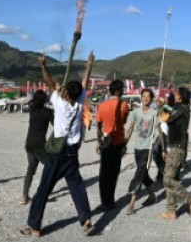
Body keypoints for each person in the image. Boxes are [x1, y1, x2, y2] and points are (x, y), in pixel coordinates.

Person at [20, 52, 95, 237]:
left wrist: (43, 66)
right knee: (77, 186)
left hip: (56, 153)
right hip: (72, 152)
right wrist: (89, 64)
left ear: (67, 93)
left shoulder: (59, 103)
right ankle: (85, 219)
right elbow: (84, 82)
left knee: (43, 189)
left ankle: (35, 227)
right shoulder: (79, 104)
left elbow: (49, 83)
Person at [159, 86, 191, 220]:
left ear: (180, 96)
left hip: (177, 147)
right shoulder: (180, 107)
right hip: (176, 146)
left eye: (176, 93)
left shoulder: (181, 108)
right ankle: (171, 211)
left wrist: (161, 106)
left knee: (167, 179)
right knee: (172, 178)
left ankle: (188, 198)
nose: (174, 94)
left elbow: (165, 118)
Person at [95, 79, 130, 211]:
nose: (123, 91)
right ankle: (111, 199)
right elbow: (124, 121)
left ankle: (105, 201)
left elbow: (98, 126)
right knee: (114, 173)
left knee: (104, 173)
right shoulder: (124, 105)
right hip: (119, 142)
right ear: (118, 91)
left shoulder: (102, 106)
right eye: (122, 89)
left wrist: (99, 141)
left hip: (106, 142)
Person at [123, 88, 158, 214]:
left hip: (148, 149)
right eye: (143, 96)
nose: (145, 98)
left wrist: (163, 148)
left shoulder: (154, 113)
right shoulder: (136, 112)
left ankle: (131, 204)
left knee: (139, 174)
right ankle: (152, 196)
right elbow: (130, 128)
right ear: (141, 97)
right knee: (143, 174)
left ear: (152, 98)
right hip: (137, 148)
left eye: (148, 96)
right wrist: (124, 144)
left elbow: (160, 130)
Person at [21, 84, 54, 205]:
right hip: (40, 145)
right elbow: (56, 124)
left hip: (29, 144)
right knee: (50, 167)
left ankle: (25, 195)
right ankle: (44, 193)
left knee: (31, 169)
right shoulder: (47, 112)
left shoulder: (32, 110)